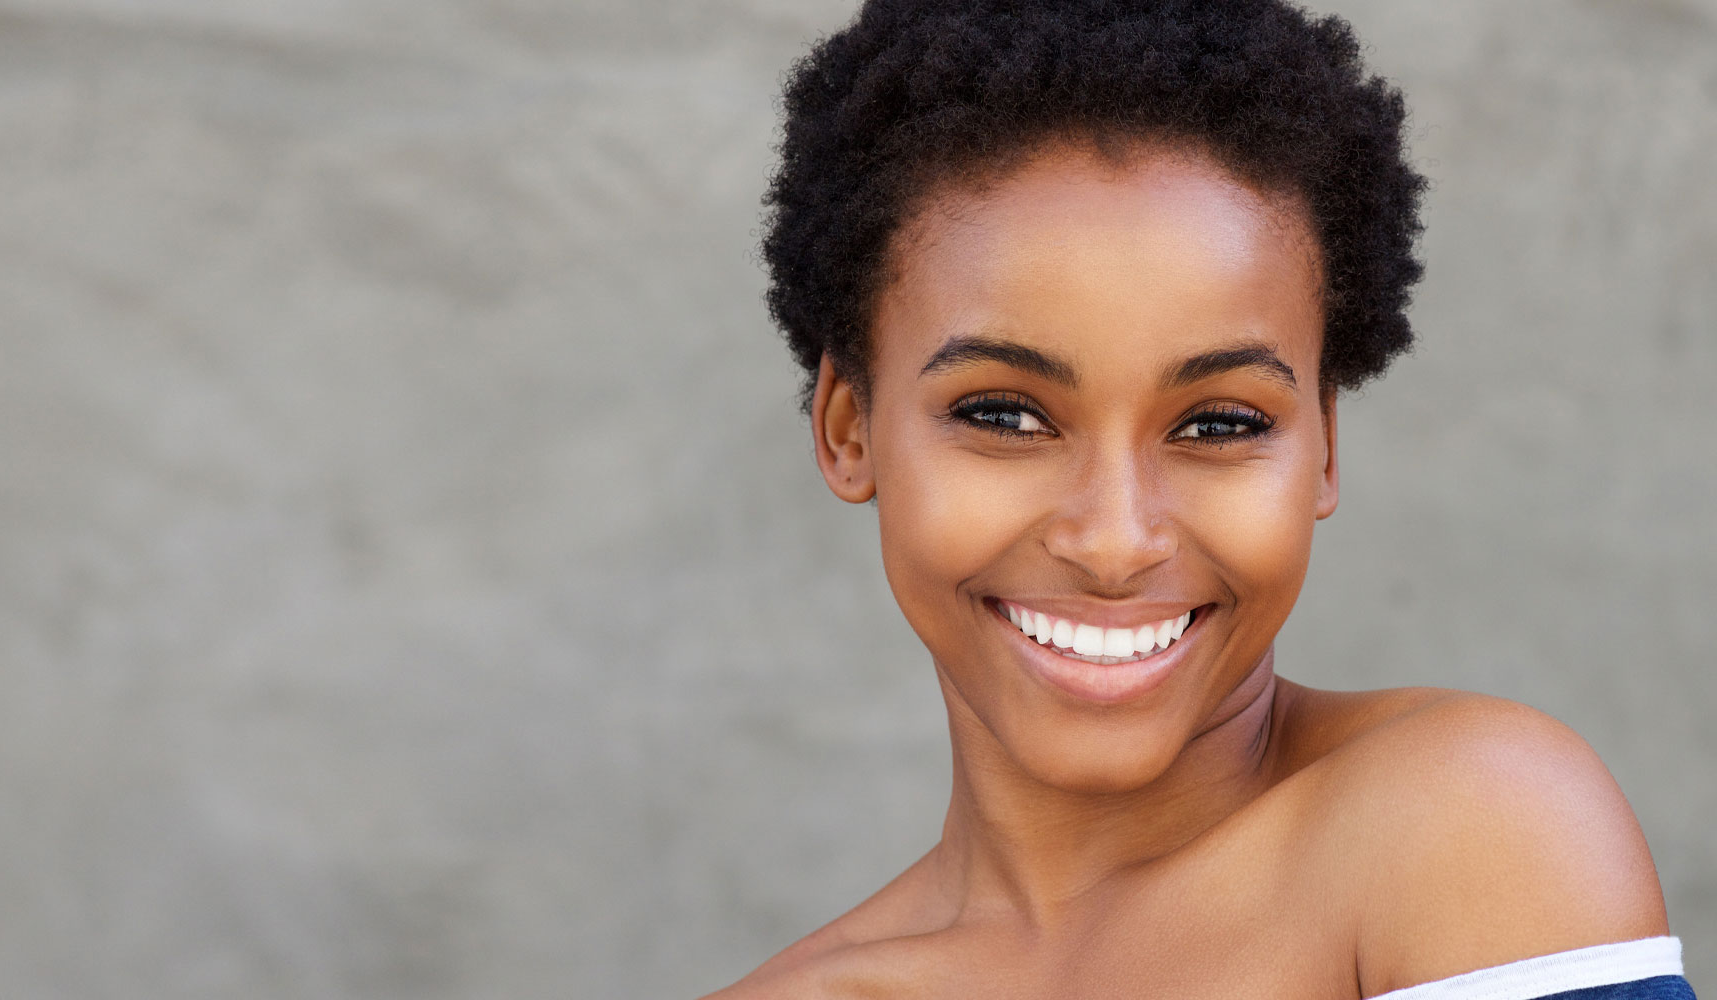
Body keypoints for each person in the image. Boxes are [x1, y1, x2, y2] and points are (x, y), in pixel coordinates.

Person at [708, 1, 1696, 997]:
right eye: (1004, 415)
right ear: (848, 428)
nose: (1111, 540)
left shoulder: (1469, 824)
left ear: (1321, 449)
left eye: (1217, 423)